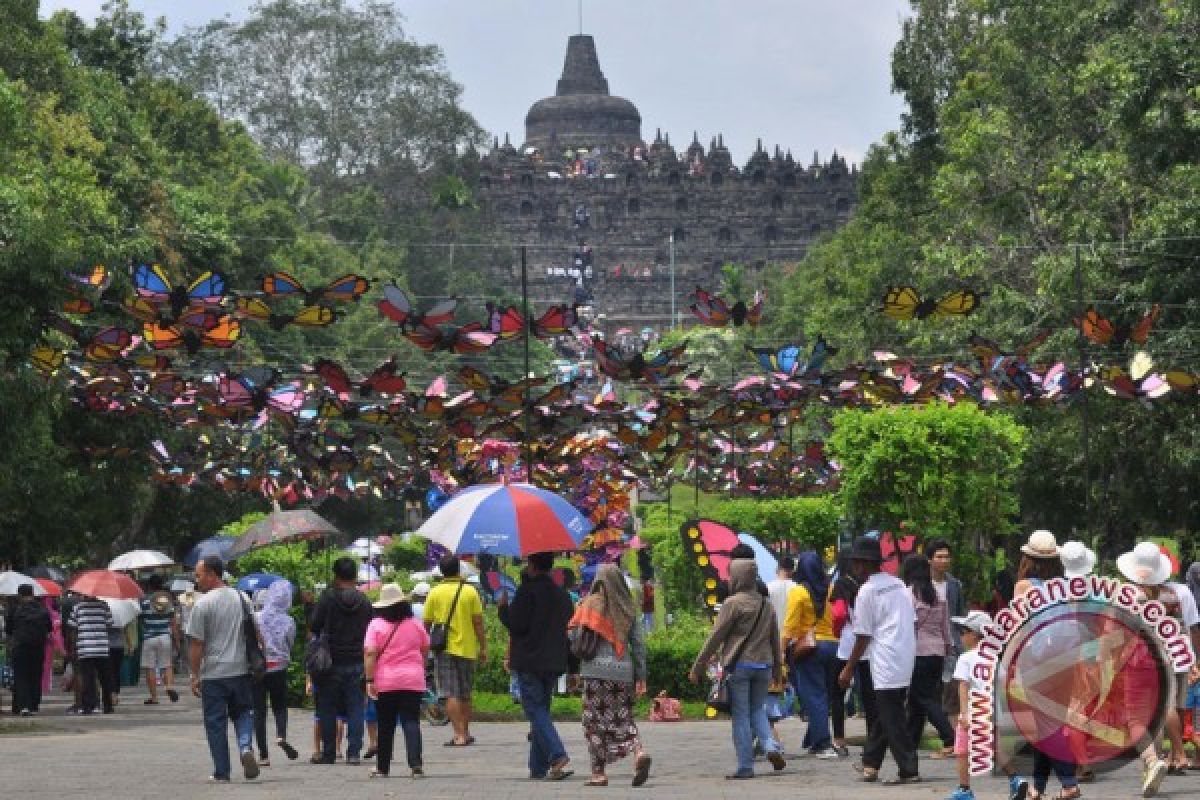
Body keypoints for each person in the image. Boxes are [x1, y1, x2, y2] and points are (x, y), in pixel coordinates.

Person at [689, 557, 786, 780]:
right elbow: (775, 638)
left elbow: (716, 636)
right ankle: (771, 746)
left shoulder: (733, 603)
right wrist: (778, 671)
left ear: (737, 577)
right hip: (764, 666)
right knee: (758, 709)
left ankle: (745, 766)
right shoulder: (766, 604)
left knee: (741, 715)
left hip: (740, 666)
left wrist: (698, 665)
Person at [838, 535, 919, 785]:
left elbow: (863, 635)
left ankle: (908, 768)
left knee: (892, 715)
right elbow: (913, 621)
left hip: (885, 657)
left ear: (863, 564)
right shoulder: (899, 585)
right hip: (905, 653)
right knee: (888, 710)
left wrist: (849, 668)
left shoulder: (867, 592)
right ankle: (870, 762)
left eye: (856, 563)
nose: (854, 568)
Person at [1011, 531, 1082, 800]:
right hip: (1066, 658)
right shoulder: (1067, 586)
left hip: (1037, 660)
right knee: (1048, 723)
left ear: (1027, 558)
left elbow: (1018, 626)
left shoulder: (1024, 587)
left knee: (1045, 724)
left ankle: (1069, 782)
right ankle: (1038, 789)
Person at [569, 563, 652, 787]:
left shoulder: (588, 604)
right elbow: (639, 646)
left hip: (594, 673)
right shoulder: (627, 607)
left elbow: (573, 638)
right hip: (622, 673)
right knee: (623, 717)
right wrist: (641, 676)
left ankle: (598, 773)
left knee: (593, 722)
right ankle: (638, 752)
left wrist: (579, 613)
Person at [499, 551, 575, 781]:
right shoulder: (562, 595)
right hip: (553, 661)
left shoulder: (527, 591)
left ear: (532, 565)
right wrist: (573, 668)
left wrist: (503, 608)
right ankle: (537, 767)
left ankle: (557, 754)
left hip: (530, 661)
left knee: (534, 709)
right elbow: (569, 631)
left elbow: (517, 625)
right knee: (541, 709)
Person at [1115, 542, 1184, 793]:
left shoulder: (1127, 596)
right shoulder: (1169, 598)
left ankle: (1152, 761)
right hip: (1163, 662)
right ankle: (1152, 768)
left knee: (1133, 717)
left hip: (1135, 660)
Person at [187, 555, 259, 783]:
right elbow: (255, 633)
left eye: (199, 575)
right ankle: (245, 746)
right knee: (243, 713)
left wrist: (194, 675)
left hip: (215, 673)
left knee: (216, 723)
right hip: (241, 669)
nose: (196, 580)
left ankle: (222, 771)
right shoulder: (242, 598)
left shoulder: (203, 604)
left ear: (211, 574)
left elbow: (197, 644)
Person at [946, 610, 1029, 800]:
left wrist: (964, 713)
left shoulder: (966, 658)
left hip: (973, 713)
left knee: (961, 750)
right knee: (995, 748)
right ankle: (1016, 780)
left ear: (974, 634)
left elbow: (963, 686)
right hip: (991, 712)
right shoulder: (993, 659)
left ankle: (964, 790)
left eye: (964, 631)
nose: (961, 635)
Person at [310, 557, 373, 765]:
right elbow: (370, 629)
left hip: (329, 662)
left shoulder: (327, 599)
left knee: (327, 708)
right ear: (354, 575)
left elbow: (314, 626)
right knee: (356, 707)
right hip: (356, 660)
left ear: (336, 575)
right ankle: (353, 752)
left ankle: (328, 753)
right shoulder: (364, 601)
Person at [365, 584, 430, 779]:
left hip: (386, 681)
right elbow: (425, 646)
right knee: (411, 721)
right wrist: (420, 666)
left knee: (386, 725)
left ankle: (383, 768)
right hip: (413, 679)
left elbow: (369, 653)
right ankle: (416, 764)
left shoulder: (375, 625)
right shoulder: (415, 624)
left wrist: (369, 680)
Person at [423, 555, 486, 747]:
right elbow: (478, 622)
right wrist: (483, 646)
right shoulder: (470, 591)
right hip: (467, 648)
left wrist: (423, 649)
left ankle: (458, 734)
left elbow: (426, 623)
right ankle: (466, 732)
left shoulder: (435, 592)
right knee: (465, 692)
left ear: (442, 572)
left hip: (445, 649)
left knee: (450, 693)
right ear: (459, 569)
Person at [784, 550, 838, 758]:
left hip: (810, 648)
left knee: (813, 696)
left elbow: (789, 626)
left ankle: (823, 743)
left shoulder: (798, 592)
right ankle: (814, 739)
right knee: (822, 695)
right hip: (833, 646)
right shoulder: (830, 588)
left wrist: (780, 651)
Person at [903, 554, 955, 756]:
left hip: (919, 652)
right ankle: (910, 742)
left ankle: (949, 736)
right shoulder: (938, 595)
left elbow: (911, 626)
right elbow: (945, 626)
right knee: (919, 700)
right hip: (938, 652)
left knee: (923, 697)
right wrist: (948, 648)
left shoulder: (909, 594)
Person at [1161, 547, 1200, 777]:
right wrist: (1196, 658)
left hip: (1156, 654)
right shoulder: (1183, 591)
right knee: (1179, 703)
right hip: (1182, 653)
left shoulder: (1142, 593)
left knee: (1164, 705)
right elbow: (1193, 628)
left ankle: (1176, 753)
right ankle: (1177, 754)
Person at [253, 579, 298, 766]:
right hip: (278, 667)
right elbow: (290, 644)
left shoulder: (256, 617)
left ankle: (263, 755)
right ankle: (281, 735)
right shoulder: (289, 621)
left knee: (259, 711)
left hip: (258, 668)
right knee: (279, 706)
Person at [926, 539, 967, 724]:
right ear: (930, 560)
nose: (944, 560)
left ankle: (952, 737)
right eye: (939, 557)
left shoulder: (954, 585)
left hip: (951, 644)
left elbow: (959, 615)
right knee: (930, 691)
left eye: (947, 557)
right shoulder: (922, 584)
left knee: (951, 692)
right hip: (927, 644)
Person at [829, 549, 862, 758]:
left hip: (848, 642)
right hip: (869, 642)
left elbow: (839, 613)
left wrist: (836, 630)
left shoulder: (841, 584)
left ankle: (839, 739)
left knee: (837, 692)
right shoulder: (865, 583)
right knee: (868, 691)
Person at [6, 584, 52, 716]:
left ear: (20, 595)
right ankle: (34, 705)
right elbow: (49, 628)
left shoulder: (15, 609)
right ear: (32, 594)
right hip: (38, 647)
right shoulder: (42, 609)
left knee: (21, 676)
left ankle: (23, 705)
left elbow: (8, 629)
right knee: (36, 675)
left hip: (20, 647)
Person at [68, 591, 115, 715]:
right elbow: (109, 624)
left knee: (88, 678)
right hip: (102, 648)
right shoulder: (104, 606)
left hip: (85, 648)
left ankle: (88, 706)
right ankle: (107, 705)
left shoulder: (77, 607)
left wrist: (73, 648)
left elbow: (73, 628)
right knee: (105, 678)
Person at [140, 589, 180, 704]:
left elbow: (141, 620)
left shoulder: (145, 603)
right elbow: (173, 623)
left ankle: (154, 697)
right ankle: (169, 686)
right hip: (165, 637)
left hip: (149, 638)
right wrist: (177, 641)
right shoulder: (168, 602)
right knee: (167, 665)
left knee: (150, 668)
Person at [766, 556, 796, 633]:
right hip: (791, 636)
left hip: (772, 634)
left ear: (778, 569)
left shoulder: (768, 588)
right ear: (792, 571)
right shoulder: (798, 589)